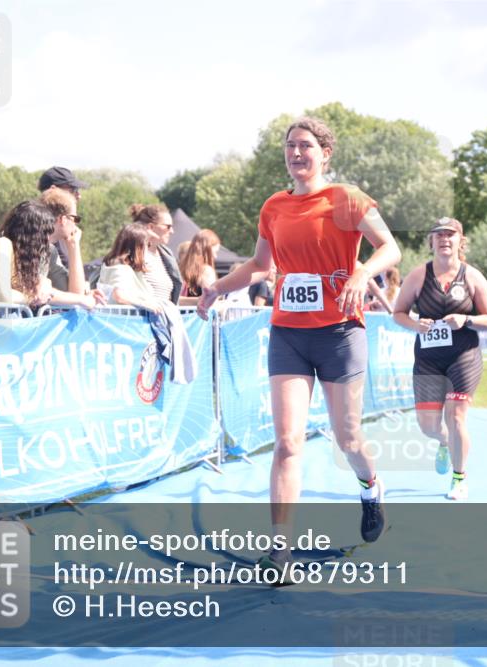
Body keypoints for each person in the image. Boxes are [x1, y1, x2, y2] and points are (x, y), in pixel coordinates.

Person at [197, 117, 401, 565]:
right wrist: (217, 288)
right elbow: (258, 265)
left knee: (347, 438)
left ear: (325, 153)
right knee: (287, 441)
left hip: (341, 333)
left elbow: (390, 248)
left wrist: (364, 271)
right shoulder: (273, 207)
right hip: (289, 332)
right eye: (290, 146)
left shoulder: (346, 198)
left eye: (305, 145)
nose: (296, 153)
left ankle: (370, 487)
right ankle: (280, 548)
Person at [393, 218, 487, 500]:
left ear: (461, 241)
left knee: (456, 415)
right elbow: (398, 312)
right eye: (438, 235)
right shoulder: (418, 276)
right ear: (431, 242)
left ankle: (459, 478)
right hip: (428, 359)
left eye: (450, 235)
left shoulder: (472, 276)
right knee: (428, 426)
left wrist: (466, 319)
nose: (444, 239)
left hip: (463, 355)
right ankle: (444, 442)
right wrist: (416, 325)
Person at [0, 188, 89, 301]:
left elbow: (74, 294)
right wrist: (42, 293)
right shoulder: (6, 244)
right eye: (76, 218)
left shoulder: (47, 251)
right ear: (63, 219)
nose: (76, 226)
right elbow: (8, 295)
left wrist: (73, 246)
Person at [0, 198, 100, 309]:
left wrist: (44, 290)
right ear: (32, 233)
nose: (47, 239)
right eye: (45, 232)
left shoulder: (26, 257)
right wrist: (35, 297)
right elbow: (3, 296)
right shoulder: (2, 245)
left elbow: (45, 291)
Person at [98, 223, 166, 311]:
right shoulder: (120, 268)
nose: (148, 249)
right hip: (122, 322)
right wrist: (146, 305)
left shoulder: (121, 267)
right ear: (138, 247)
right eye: (148, 244)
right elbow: (119, 296)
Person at [129, 204, 184, 305]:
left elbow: (168, 300)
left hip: (162, 318)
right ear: (151, 227)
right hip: (138, 318)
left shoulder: (166, 256)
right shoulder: (131, 253)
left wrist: (200, 300)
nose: (172, 231)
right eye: (168, 227)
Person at [179, 229, 221, 301]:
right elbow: (210, 298)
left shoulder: (180, 270)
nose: (215, 256)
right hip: (199, 311)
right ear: (207, 249)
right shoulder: (206, 270)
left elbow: (175, 299)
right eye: (215, 252)